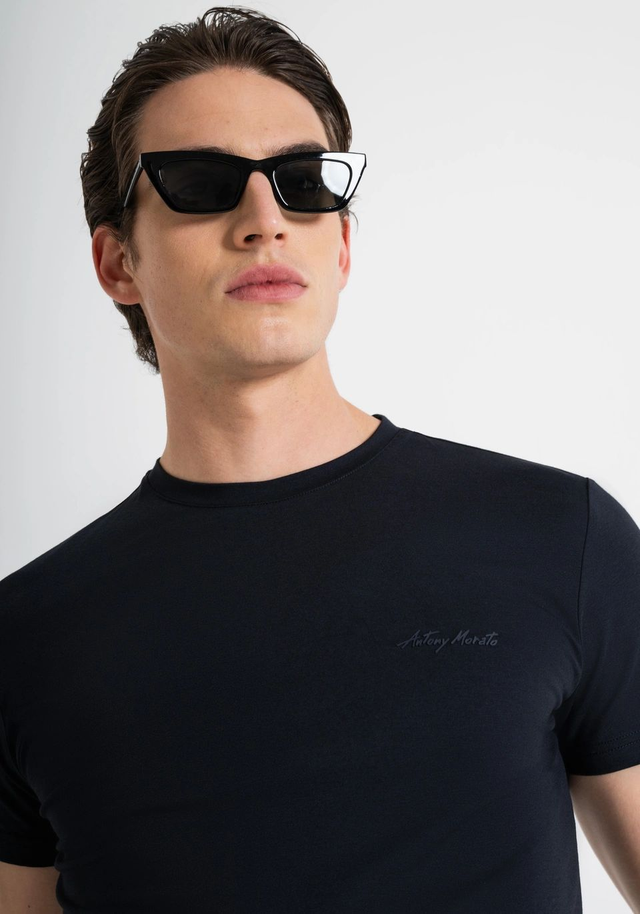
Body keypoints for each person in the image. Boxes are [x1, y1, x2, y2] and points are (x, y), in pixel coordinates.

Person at [1, 7, 639, 913]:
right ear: (117, 265)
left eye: (304, 183)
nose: (265, 219)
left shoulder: (561, 541)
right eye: (201, 183)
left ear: (340, 246)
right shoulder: (26, 639)